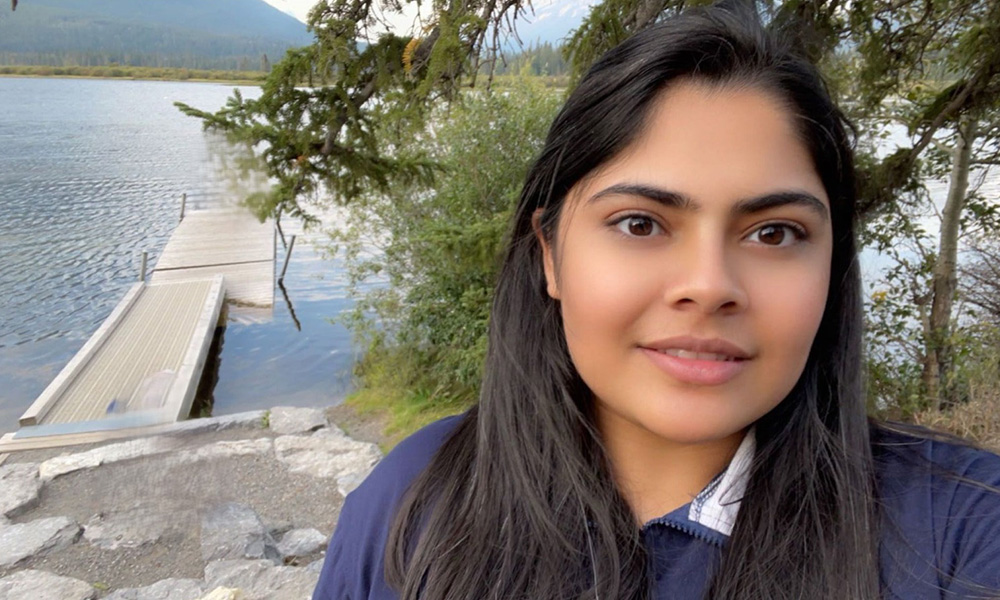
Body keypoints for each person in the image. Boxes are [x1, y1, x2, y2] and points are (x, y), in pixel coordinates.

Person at [312, 3, 1000, 599]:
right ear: (550, 254)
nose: (708, 285)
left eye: (774, 232)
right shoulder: (411, 501)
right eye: (640, 223)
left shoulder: (961, 531)